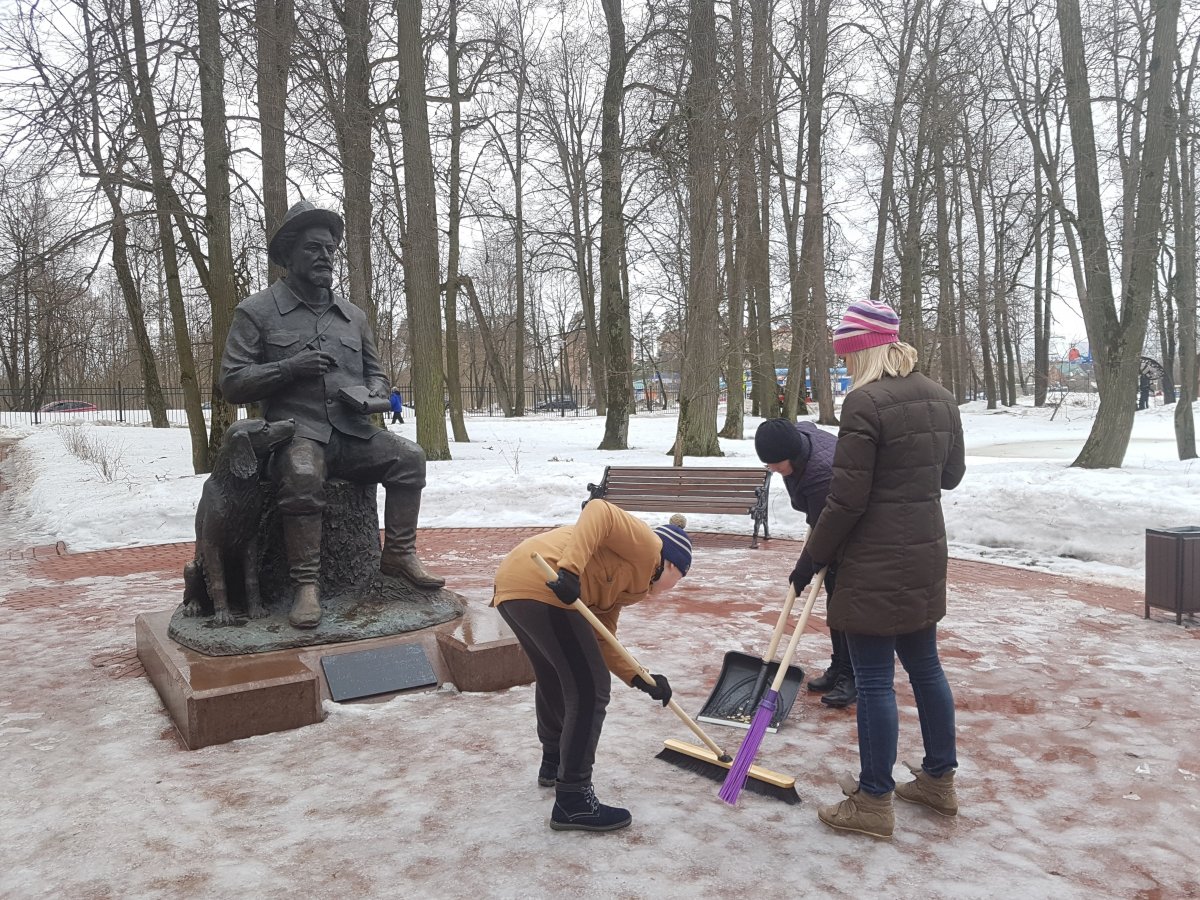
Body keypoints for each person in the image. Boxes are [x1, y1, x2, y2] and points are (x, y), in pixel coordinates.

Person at [220, 201, 445, 630]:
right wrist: (288, 369)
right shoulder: (257, 312)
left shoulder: (353, 316)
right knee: (303, 474)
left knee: (410, 457)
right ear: (287, 256)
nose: (325, 257)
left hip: (354, 432)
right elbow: (232, 381)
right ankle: (307, 585)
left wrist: (375, 395)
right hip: (296, 433)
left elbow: (377, 373)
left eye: (329, 249)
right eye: (312, 248)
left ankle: (398, 554)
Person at [792, 299, 966, 840]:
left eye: (846, 357)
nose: (845, 369)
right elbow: (952, 476)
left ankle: (873, 799)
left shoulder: (864, 404)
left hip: (871, 562)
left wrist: (813, 555)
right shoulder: (941, 396)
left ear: (863, 350)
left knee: (872, 682)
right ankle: (939, 781)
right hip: (923, 554)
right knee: (926, 667)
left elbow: (846, 500)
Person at [491, 500, 692, 833]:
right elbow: (599, 510)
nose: (674, 589)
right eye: (681, 579)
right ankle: (574, 799)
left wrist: (639, 677)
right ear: (672, 565)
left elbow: (602, 639)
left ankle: (554, 763)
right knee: (590, 689)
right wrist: (570, 570)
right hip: (545, 580)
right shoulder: (649, 546)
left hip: (516, 586)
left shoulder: (625, 588)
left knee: (558, 676)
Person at [753, 417, 855, 709]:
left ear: (792, 456)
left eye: (775, 464)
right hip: (831, 518)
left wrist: (803, 571)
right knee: (835, 603)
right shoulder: (796, 442)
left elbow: (827, 532)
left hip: (855, 532)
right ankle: (839, 666)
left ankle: (852, 676)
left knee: (845, 605)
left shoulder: (822, 474)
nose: (771, 470)